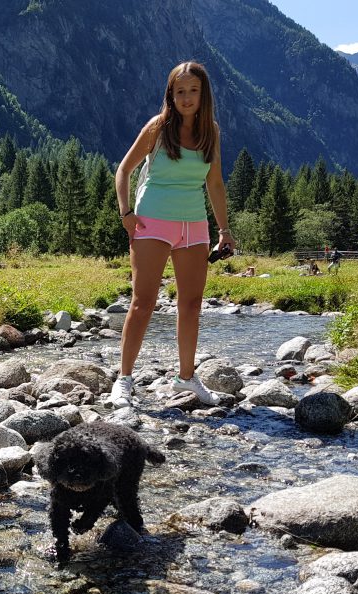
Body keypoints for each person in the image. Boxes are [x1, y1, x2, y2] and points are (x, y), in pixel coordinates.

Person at [110, 61, 236, 408]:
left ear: (203, 94)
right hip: (152, 222)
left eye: (193, 90)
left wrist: (224, 230)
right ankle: (123, 380)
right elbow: (123, 170)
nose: (186, 97)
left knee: (192, 304)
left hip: (194, 225)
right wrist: (126, 214)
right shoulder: (158, 127)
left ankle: (186, 379)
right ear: (171, 94)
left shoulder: (211, 130)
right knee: (143, 301)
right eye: (180, 91)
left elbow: (214, 182)